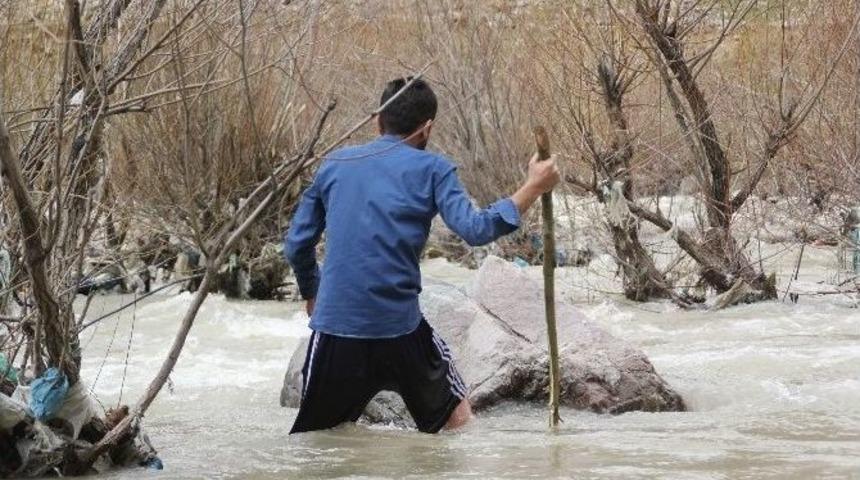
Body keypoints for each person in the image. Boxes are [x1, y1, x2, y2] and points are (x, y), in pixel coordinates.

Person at [285, 77, 560, 434]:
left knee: (317, 440)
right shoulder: (434, 170)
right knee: (457, 422)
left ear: (376, 120)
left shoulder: (335, 164)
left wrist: (312, 292)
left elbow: (296, 243)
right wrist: (533, 186)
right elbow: (476, 230)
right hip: (400, 327)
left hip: (337, 327)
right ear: (427, 128)